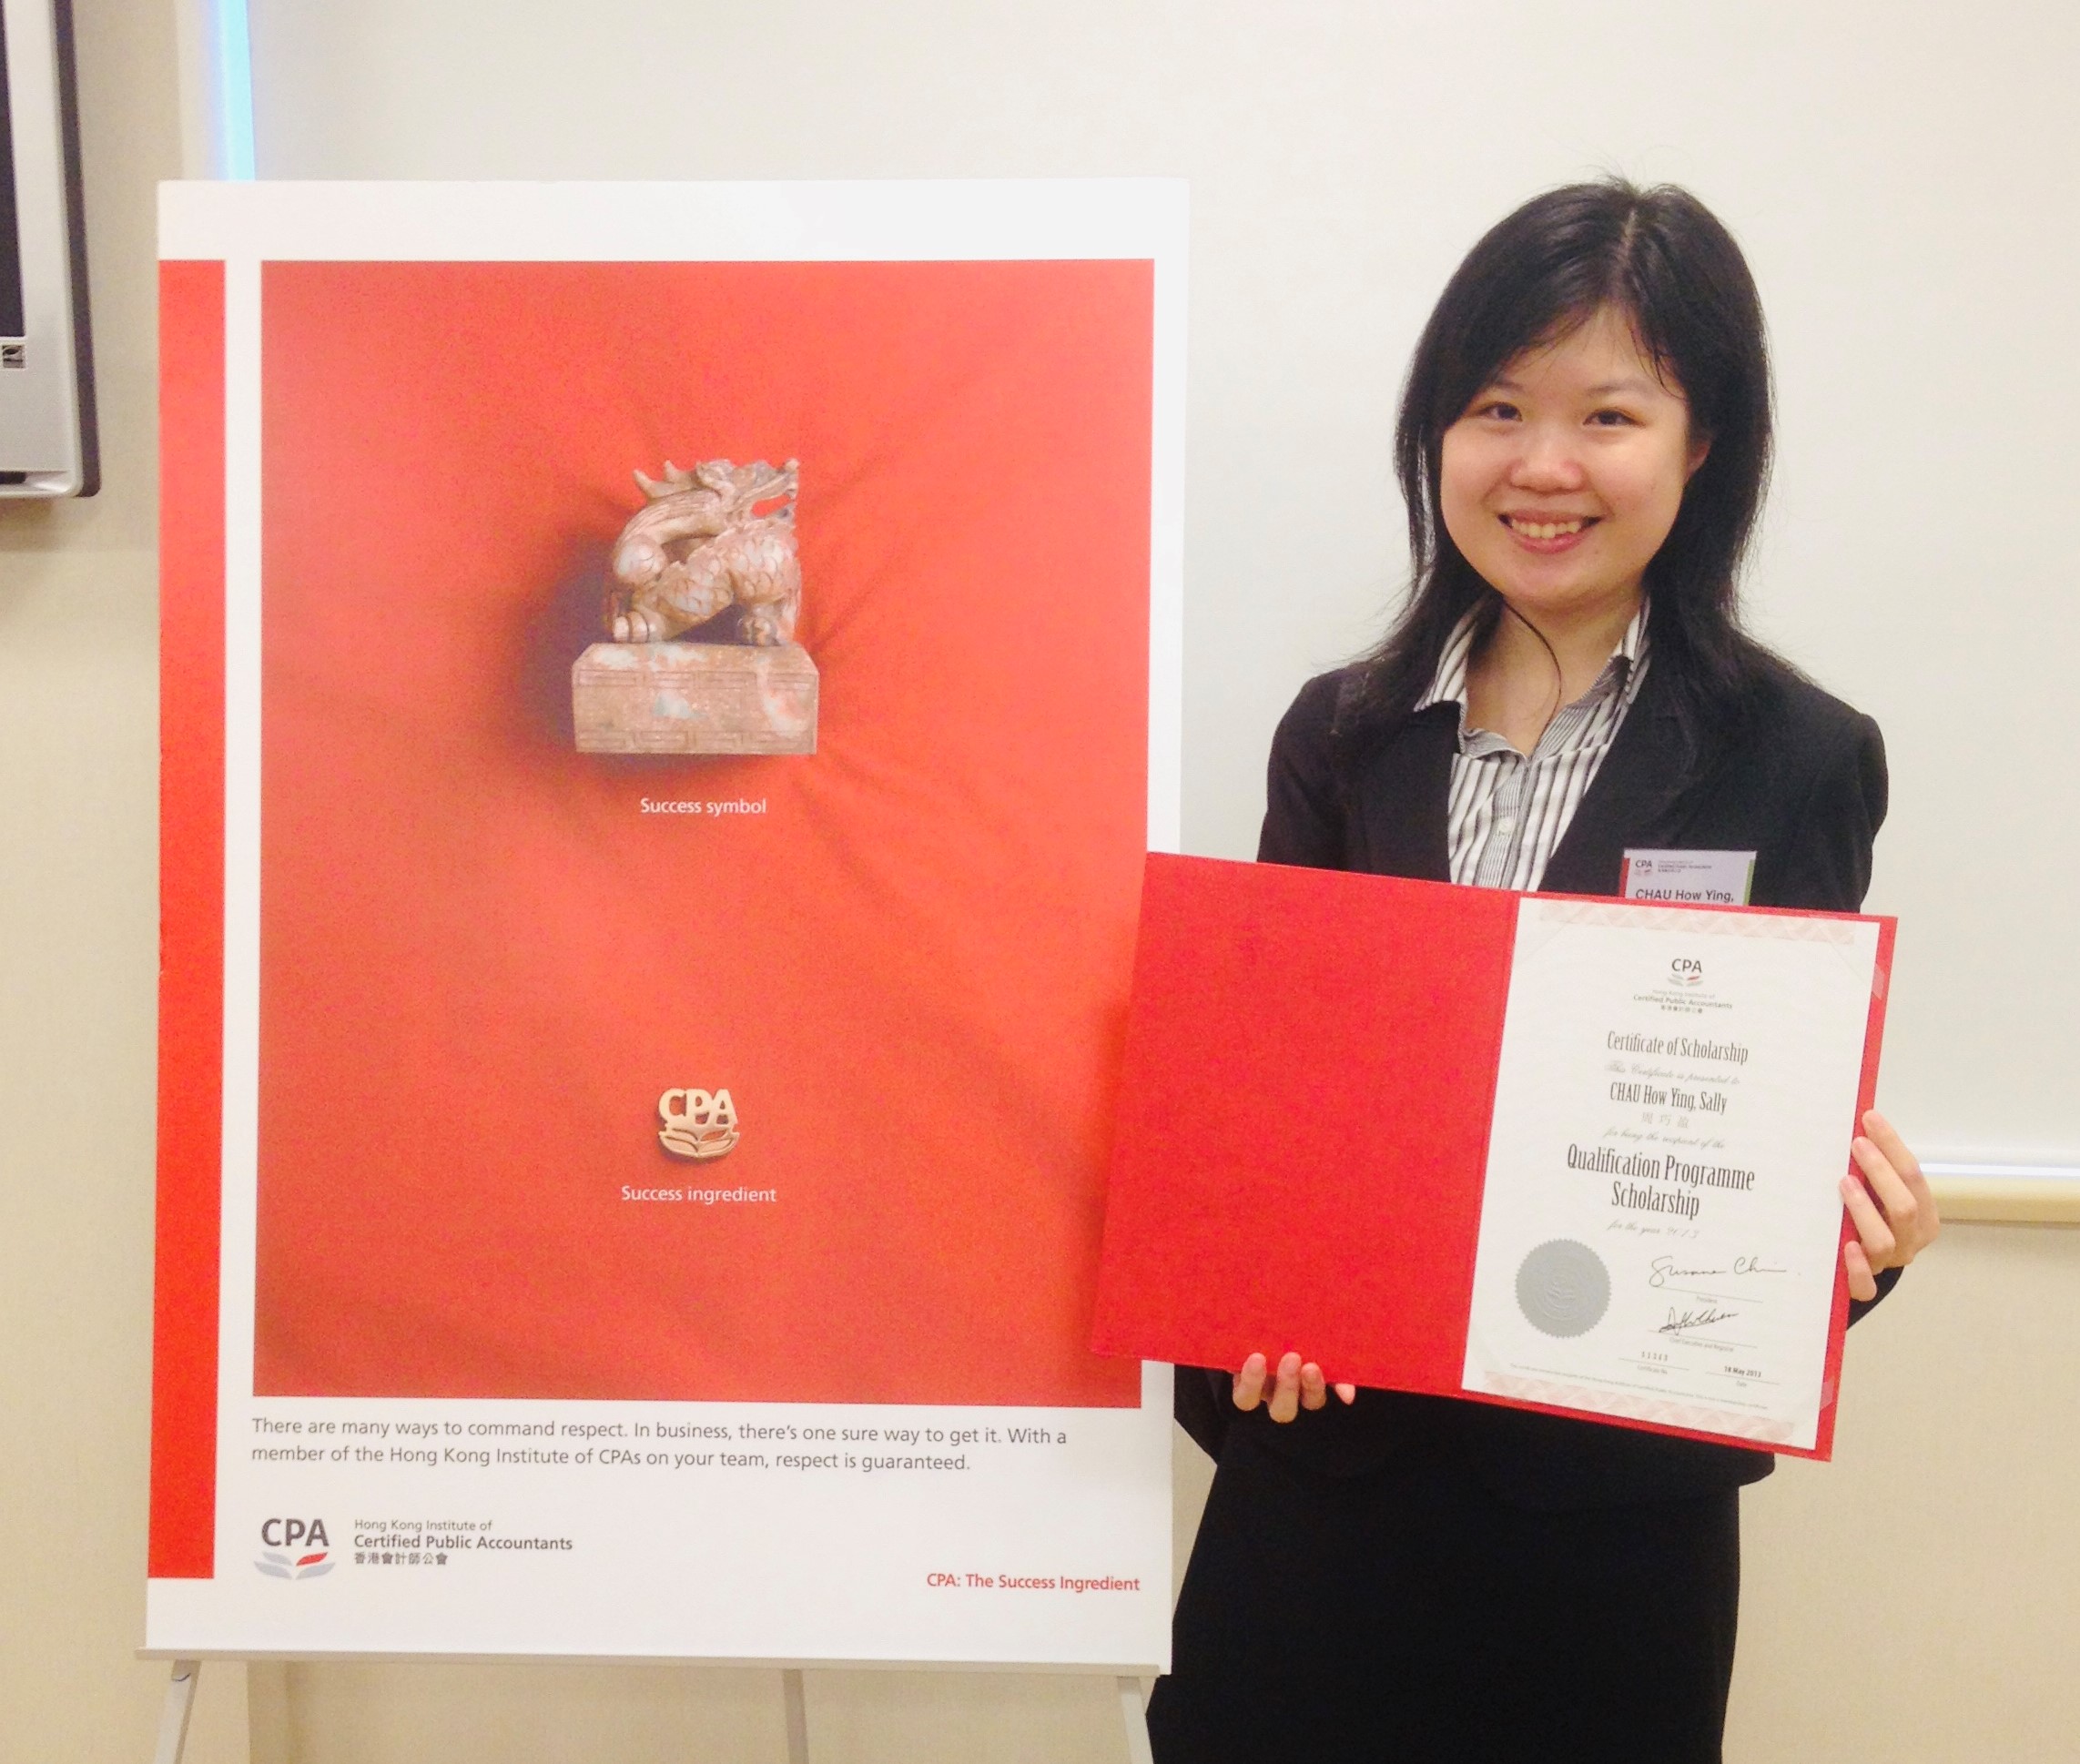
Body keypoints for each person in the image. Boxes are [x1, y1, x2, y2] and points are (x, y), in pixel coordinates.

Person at [1147, 179, 1940, 1764]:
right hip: (1319, 1517)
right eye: (1495, 408)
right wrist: (1246, 1341)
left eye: (1608, 415)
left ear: (1703, 446)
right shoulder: (1340, 734)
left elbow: (1757, 1155)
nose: (1542, 465)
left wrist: (1858, 1247)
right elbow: (1272, 1113)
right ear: (1434, 434)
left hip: (1605, 1549)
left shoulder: (1794, 756)